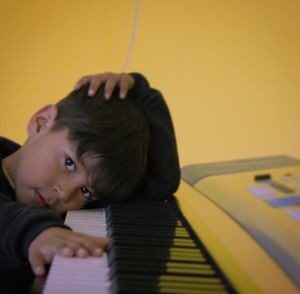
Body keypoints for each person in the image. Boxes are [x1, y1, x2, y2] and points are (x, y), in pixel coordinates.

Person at [0, 72, 180, 277]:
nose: (65, 194)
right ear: (41, 123)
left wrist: (139, 92)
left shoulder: (67, 200)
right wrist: (35, 232)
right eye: (69, 164)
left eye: (85, 191)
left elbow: (160, 181)